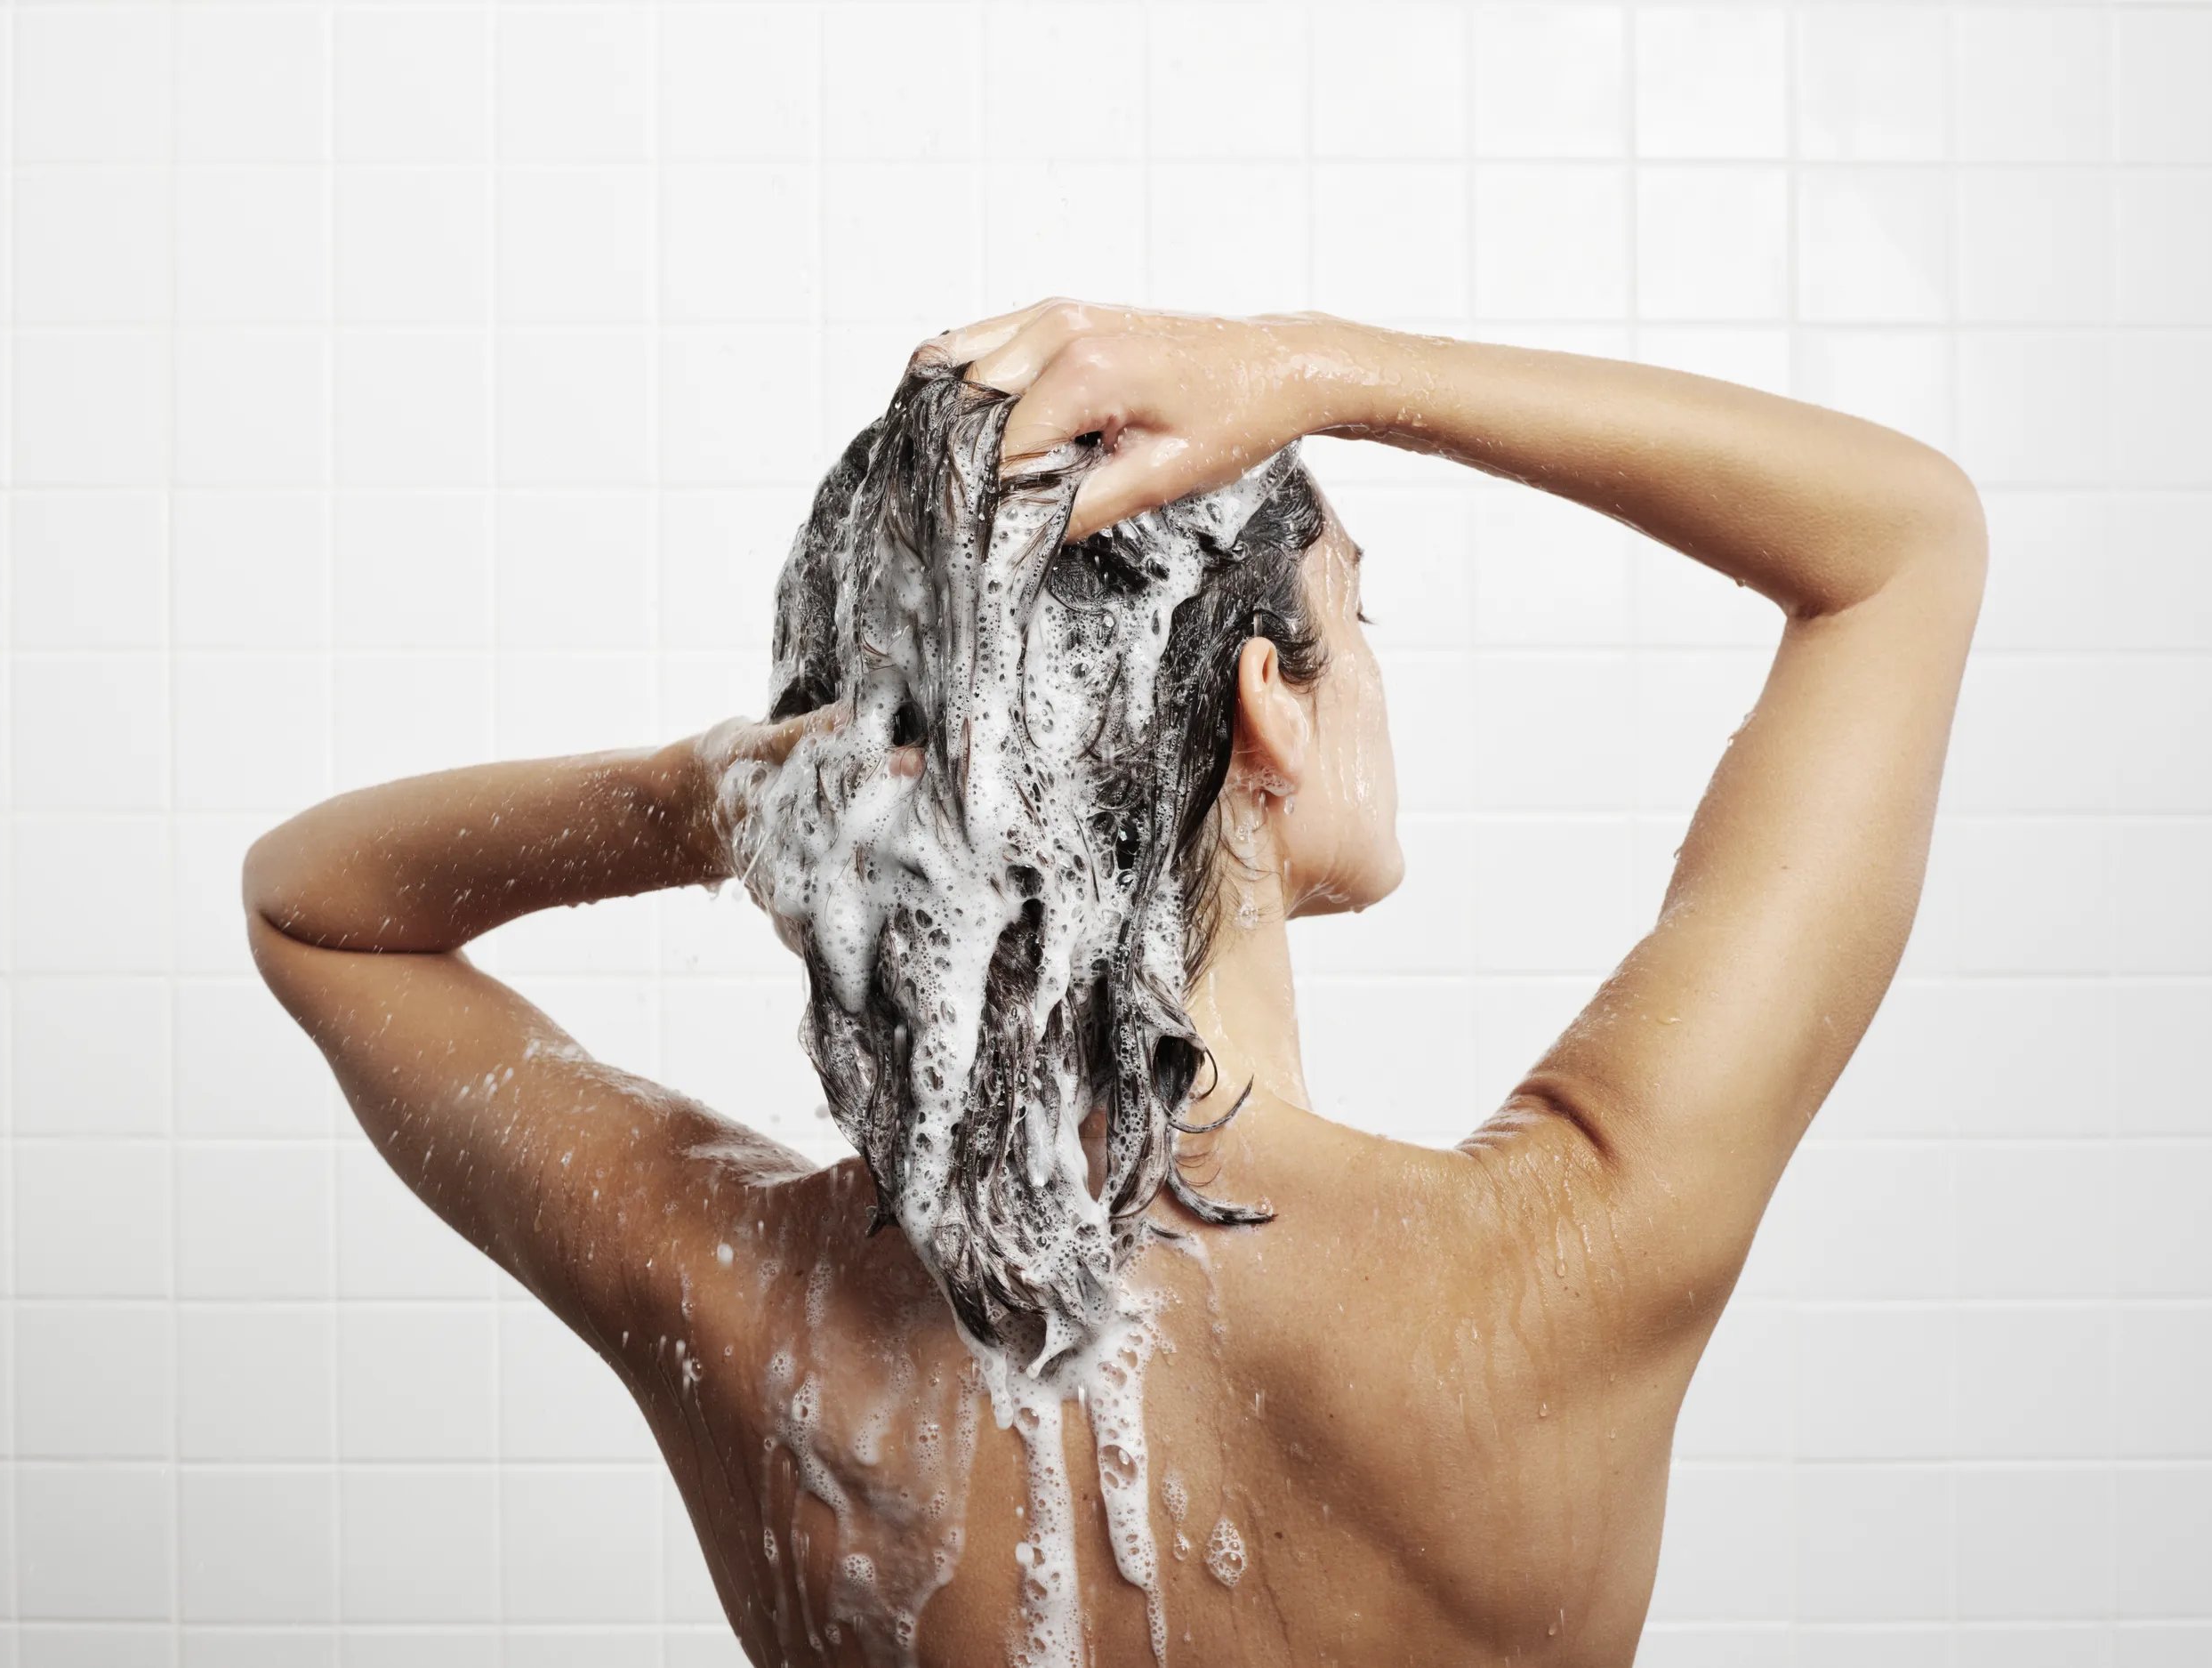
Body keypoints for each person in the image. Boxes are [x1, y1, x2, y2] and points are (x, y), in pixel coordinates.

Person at [245, 301, 1986, 1667]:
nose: (1373, 665)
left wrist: (714, 794)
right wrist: (1316, 370)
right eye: (1352, 615)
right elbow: (1898, 541)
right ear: (1265, 700)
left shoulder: (749, 1305)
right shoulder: (1559, 1262)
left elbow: (320, 909)